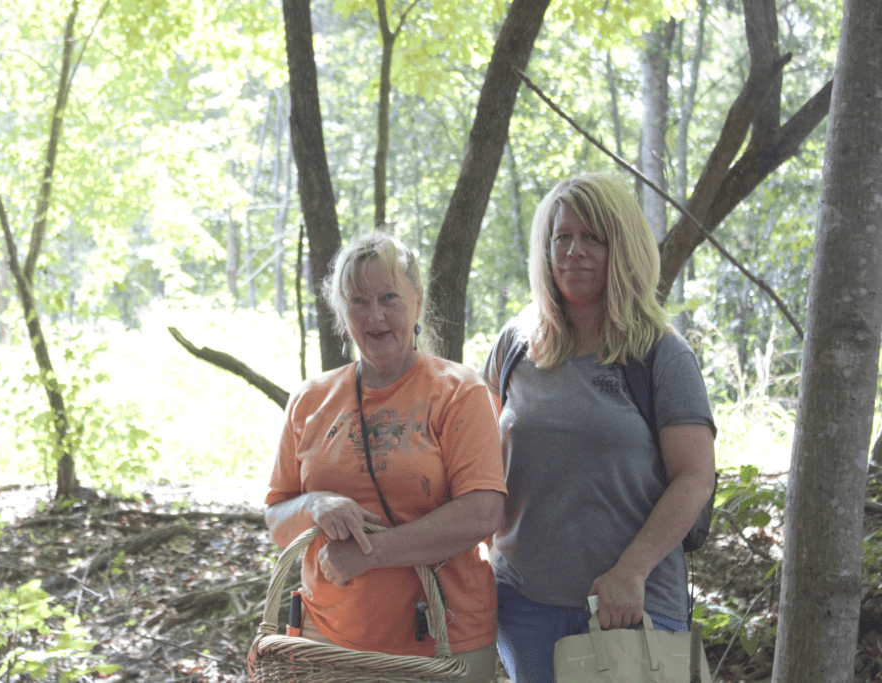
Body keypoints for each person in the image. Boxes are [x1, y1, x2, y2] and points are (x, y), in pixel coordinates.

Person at [480, 173, 717, 683]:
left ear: (624, 248)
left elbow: (695, 476)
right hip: (525, 608)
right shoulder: (515, 345)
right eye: (561, 237)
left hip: (633, 612)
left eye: (593, 238)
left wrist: (630, 571)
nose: (573, 252)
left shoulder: (660, 354)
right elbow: (477, 465)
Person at [265, 232, 508, 682]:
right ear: (341, 311)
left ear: (416, 302)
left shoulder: (459, 392)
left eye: (389, 298)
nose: (375, 316)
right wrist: (313, 504)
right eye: (358, 301)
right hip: (328, 640)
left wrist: (371, 553)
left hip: (444, 639)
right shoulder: (310, 400)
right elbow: (278, 518)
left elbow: (482, 513)